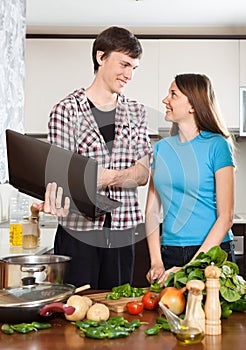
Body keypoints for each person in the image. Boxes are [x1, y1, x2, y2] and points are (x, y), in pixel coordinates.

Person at [32, 26, 153, 289]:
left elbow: (143, 174)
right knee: (75, 308)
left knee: (117, 308)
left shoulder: (136, 112)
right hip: (78, 233)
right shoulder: (66, 110)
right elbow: (63, 175)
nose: (129, 75)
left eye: (134, 67)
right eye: (124, 64)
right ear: (101, 57)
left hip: (123, 231)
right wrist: (121, 176)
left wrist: (99, 177)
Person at [145, 73, 235, 286]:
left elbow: (226, 217)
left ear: (193, 105)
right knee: (169, 318)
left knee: (211, 318)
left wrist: (190, 269)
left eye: (173, 94)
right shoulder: (161, 149)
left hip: (212, 253)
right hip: (171, 253)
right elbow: (151, 211)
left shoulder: (217, 146)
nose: (165, 100)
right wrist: (156, 261)